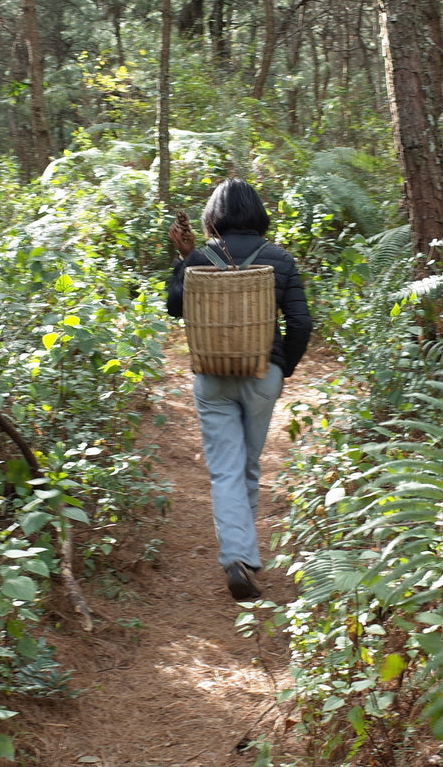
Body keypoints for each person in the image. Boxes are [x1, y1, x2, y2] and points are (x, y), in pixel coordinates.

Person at [166, 178, 312, 601]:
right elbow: (300, 324)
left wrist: (185, 259)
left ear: (214, 216)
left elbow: (176, 306)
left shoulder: (201, 256)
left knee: (226, 470)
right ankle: (242, 558)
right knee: (247, 465)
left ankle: (237, 557)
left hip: (212, 376)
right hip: (263, 374)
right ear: (259, 214)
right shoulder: (279, 259)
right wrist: (284, 369)